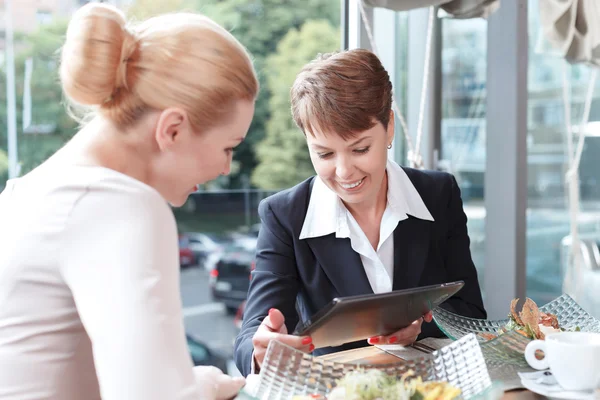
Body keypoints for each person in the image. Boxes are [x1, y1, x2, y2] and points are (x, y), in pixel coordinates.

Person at [0, 3, 258, 400]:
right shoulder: (117, 205)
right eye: (228, 148)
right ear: (172, 129)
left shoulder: (24, 195)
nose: (226, 168)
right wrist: (202, 387)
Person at [234, 49, 486, 376]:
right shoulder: (284, 215)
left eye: (360, 149)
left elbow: (471, 314)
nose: (344, 172)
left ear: (389, 127)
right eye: (324, 153)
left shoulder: (439, 194)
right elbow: (251, 334)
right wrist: (260, 348)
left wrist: (419, 329)